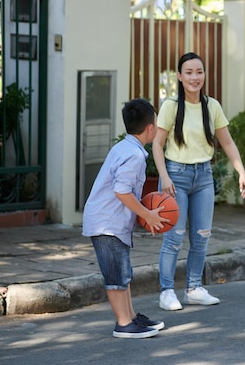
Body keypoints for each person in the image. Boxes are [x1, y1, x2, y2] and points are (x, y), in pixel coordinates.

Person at [153, 52, 245, 311]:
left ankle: (194, 288)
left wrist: (241, 171)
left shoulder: (212, 106)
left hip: (204, 177)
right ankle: (166, 292)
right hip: (176, 176)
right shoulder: (171, 106)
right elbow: (157, 144)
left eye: (199, 72)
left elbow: (227, 142)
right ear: (179, 76)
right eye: (189, 72)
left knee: (201, 236)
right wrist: (164, 176)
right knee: (174, 238)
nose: (195, 77)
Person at [82, 98, 166, 339]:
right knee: (116, 275)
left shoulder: (125, 147)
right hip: (107, 223)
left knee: (123, 272)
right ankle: (123, 324)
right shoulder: (135, 155)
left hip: (111, 222)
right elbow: (122, 191)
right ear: (150, 128)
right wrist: (147, 214)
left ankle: (130, 317)